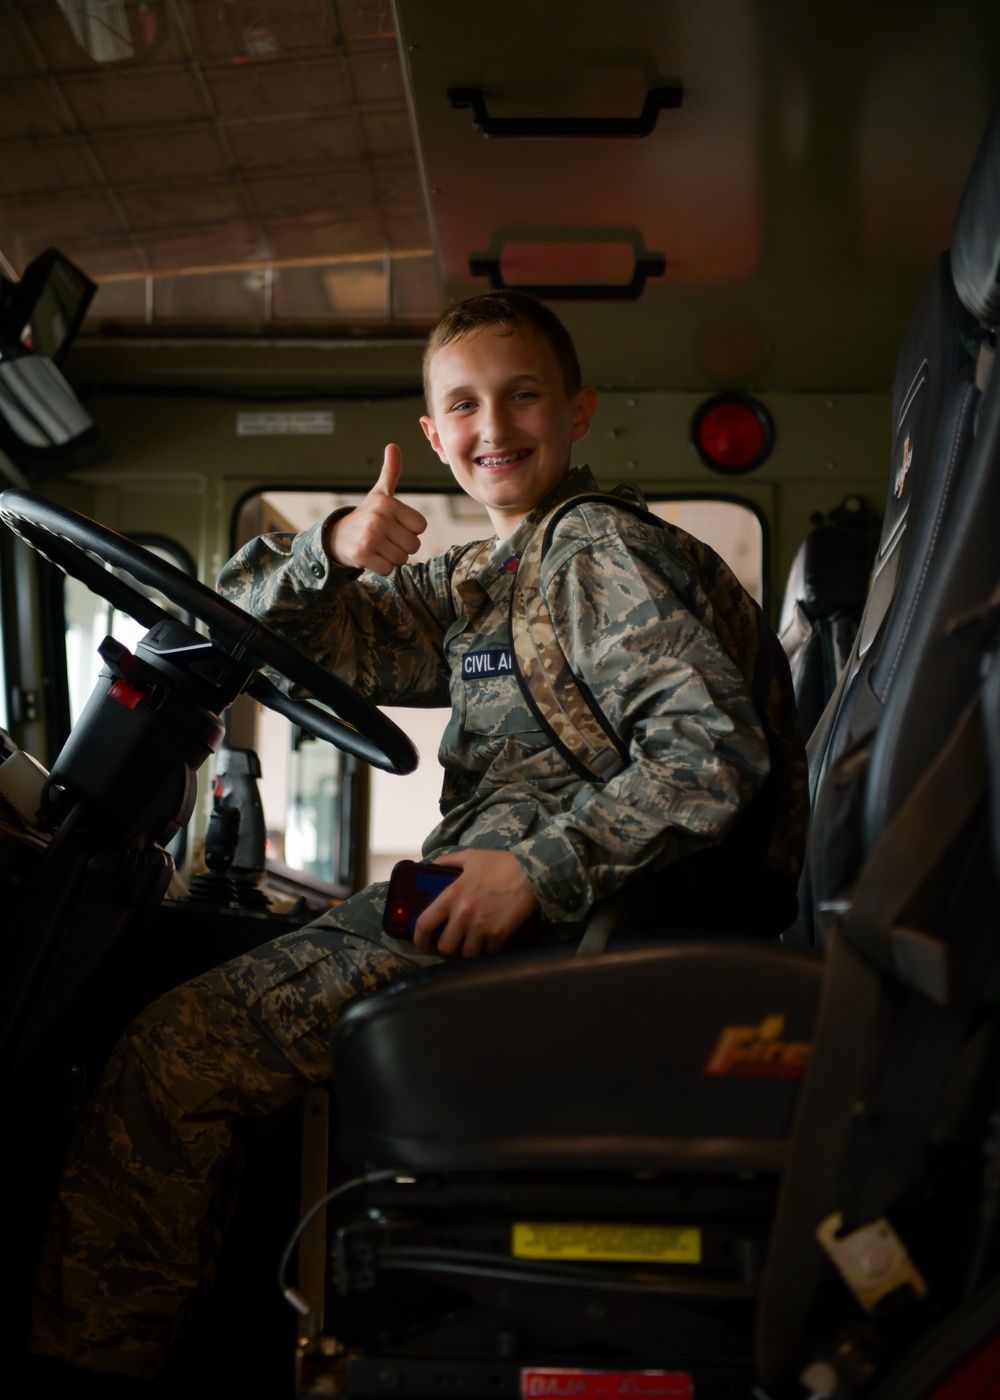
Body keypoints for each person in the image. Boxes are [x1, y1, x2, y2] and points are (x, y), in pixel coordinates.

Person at [29, 291, 794, 1389]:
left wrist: (536, 870)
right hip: (521, 900)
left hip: (569, 922)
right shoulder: (493, 578)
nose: (495, 426)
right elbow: (243, 627)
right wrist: (329, 548)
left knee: (170, 1051)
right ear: (434, 437)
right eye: (465, 406)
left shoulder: (592, 553)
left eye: (523, 395)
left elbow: (710, 755)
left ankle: (88, 1367)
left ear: (575, 410)